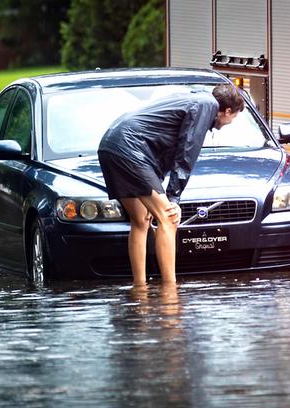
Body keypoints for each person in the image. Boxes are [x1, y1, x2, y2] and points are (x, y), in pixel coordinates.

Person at [98, 84, 245, 284]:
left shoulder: (193, 99)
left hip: (111, 145)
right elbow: (187, 150)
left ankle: (140, 287)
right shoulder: (206, 104)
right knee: (169, 218)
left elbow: (162, 150)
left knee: (141, 221)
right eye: (234, 117)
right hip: (130, 148)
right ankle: (170, 290)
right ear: (227, 111)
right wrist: (173, 197)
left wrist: (159, 189)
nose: (230, 122)